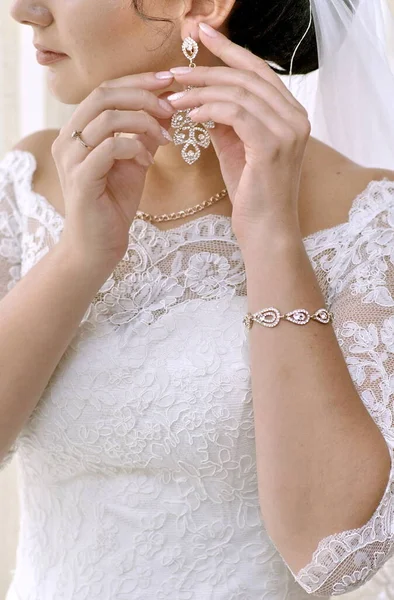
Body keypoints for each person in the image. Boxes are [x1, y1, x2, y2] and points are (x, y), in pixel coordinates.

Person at [0, 0, 394, 597]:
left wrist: (270, 236)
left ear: (202, 6)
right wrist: (79, 256)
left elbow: (330, 553)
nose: (25, 11)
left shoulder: (368, 223)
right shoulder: (30, 182)